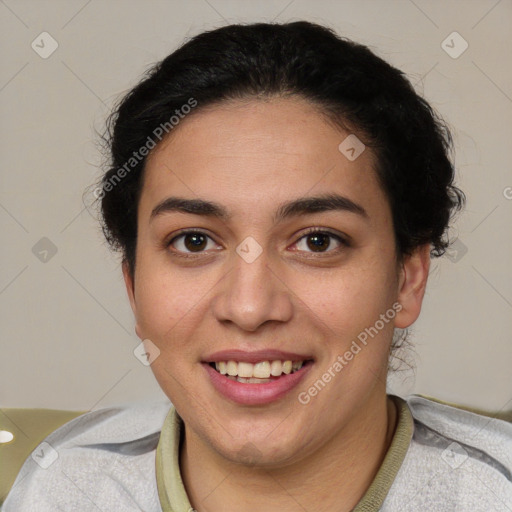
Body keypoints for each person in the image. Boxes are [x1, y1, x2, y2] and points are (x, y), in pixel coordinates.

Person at [3, 20, 511, 512]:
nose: (249, 308)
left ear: (408, 277)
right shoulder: (62, 491)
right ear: (133, 284)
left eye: (317, 241)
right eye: (194, 240)